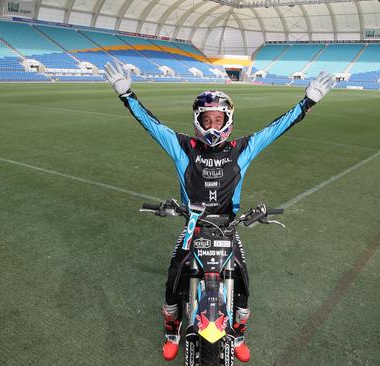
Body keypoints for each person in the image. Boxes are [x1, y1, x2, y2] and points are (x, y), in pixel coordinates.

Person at [104, 61, 334, 363]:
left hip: (228, 228)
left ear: (228, 120)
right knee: (174, 278)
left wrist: (308, 102)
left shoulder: (243, 148)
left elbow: (276, 128)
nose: (213, 126)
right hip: (193, 228)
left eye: (218, 119)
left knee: (243, 284)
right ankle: (172, 329)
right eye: (207, 120)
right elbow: (151, 123)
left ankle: (238, 333)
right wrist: (126, 94)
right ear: (197, 121)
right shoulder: (181, 146)